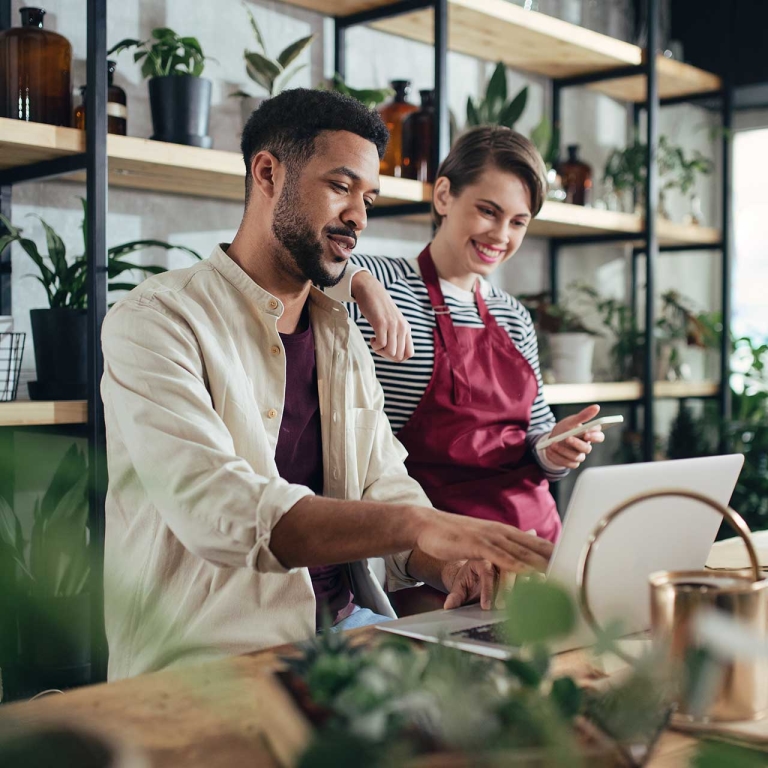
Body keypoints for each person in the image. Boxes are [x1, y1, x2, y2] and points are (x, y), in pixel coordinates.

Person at [100, 91, 553, 680]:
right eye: (341, 187)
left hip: (348, 636)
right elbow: (218, 509)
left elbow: (384, 484)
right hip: (211, 665)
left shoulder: (339, 333)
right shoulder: (157, 320)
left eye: (368, 198)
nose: (360, 218)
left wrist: (448, 564)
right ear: (268, 173)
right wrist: (425, 525)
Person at [329, 126, 606, 546]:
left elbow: (536, 434)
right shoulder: (379, 281)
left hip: (535, 537)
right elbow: (300, 268)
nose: (501, 236)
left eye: (518, 222)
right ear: (444, 196)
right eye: (488, 211)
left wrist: (555, 448)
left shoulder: (513, 315)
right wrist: (362, 283)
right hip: (434, 548)